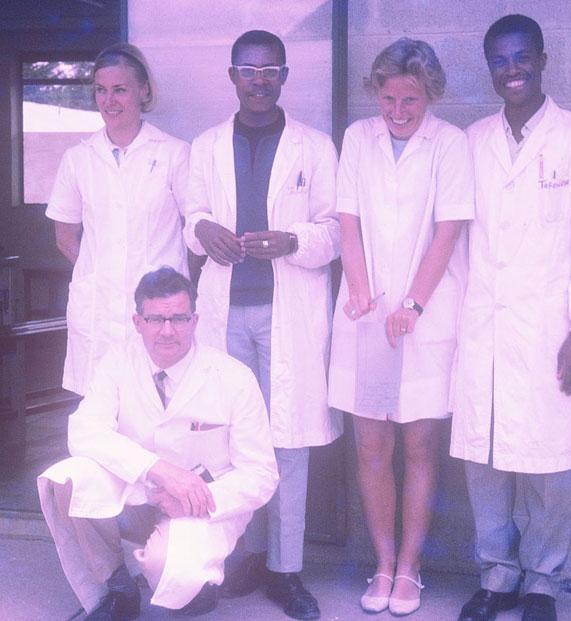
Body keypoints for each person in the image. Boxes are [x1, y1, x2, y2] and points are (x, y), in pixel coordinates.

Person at [452, 15, 571, 621]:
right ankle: (497, 575)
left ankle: (543, 583)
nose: (512, 69)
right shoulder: (469, 142)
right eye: (500, 60)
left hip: (554, 330)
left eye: (522, 57)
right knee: (487, 461)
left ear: (543, 59)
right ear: (490, 69)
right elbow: (451, 241)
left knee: (550, 469)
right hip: (483, 331)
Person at [182, 29, 340, 621]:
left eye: (270, 69)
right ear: (232, 77)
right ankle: (239, 556)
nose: (259, 79)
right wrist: (203, 231)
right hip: (225, 312)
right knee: (226, 439)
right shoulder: (204, 147)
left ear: (284, 76)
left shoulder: (315, 147)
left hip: (287, 312)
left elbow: (334, 232)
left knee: (287, 442)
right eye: (248, 70)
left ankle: (285, 568)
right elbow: (190, 213)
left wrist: (291, 240)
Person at [37, 266, 278, 620]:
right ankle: (119, 589)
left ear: (195, 320)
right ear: (138, 322)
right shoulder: (117, 362)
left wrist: (197, 499)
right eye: (156, 320)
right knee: (68, 480)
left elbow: (261, 474)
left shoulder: (234, 378)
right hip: (138, 495)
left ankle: (198, 588)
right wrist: (158, 470)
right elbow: (85, 430)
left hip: (201, 510)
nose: (168, 331)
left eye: (179, 318)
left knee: (169, 569)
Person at [326, 38, 473, 617]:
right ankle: (382, 562)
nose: (397, 110)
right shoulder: (358, 139)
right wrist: (359, 289)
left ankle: (411, 567)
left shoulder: (451, 144)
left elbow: (449, 229)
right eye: (387, 98)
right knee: (371, 442)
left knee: (418, 441)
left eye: (409, 99)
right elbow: (347, 218)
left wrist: (412, 303)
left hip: (424, 313)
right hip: (366, 313)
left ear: (428, 95)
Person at [46, 43, 190, 396]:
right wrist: (101, 274)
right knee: (100, 415)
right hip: (98, 311)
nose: (109, 101)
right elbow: (65, 237)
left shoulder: (175, 154)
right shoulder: (78, 158)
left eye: (120, 90)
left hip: (160, 310)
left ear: (143, 91)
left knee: (159, 408)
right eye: (101, 90)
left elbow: (197, 231)